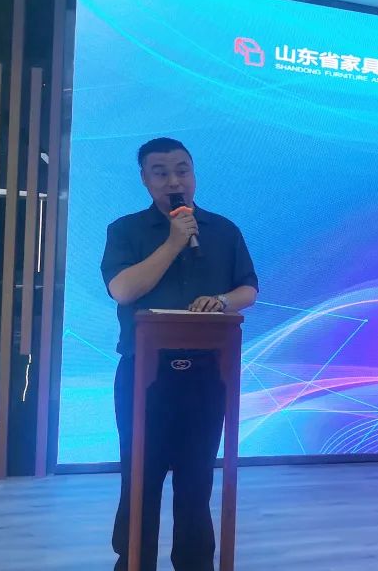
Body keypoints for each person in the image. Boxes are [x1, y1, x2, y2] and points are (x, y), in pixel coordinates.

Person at [101, 137, 258, 570]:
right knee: (141, 480)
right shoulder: (125, 230)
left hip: (206, 377)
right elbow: (123, 289)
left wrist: (222, 301)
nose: (174, 181)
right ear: (144, 179)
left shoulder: (223, 230)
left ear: (193, 174)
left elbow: (248, 289)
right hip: (145, 378)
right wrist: (173, 242)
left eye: (182, 170)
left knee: (196, 481)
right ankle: (134, 563)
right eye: (161, 172)